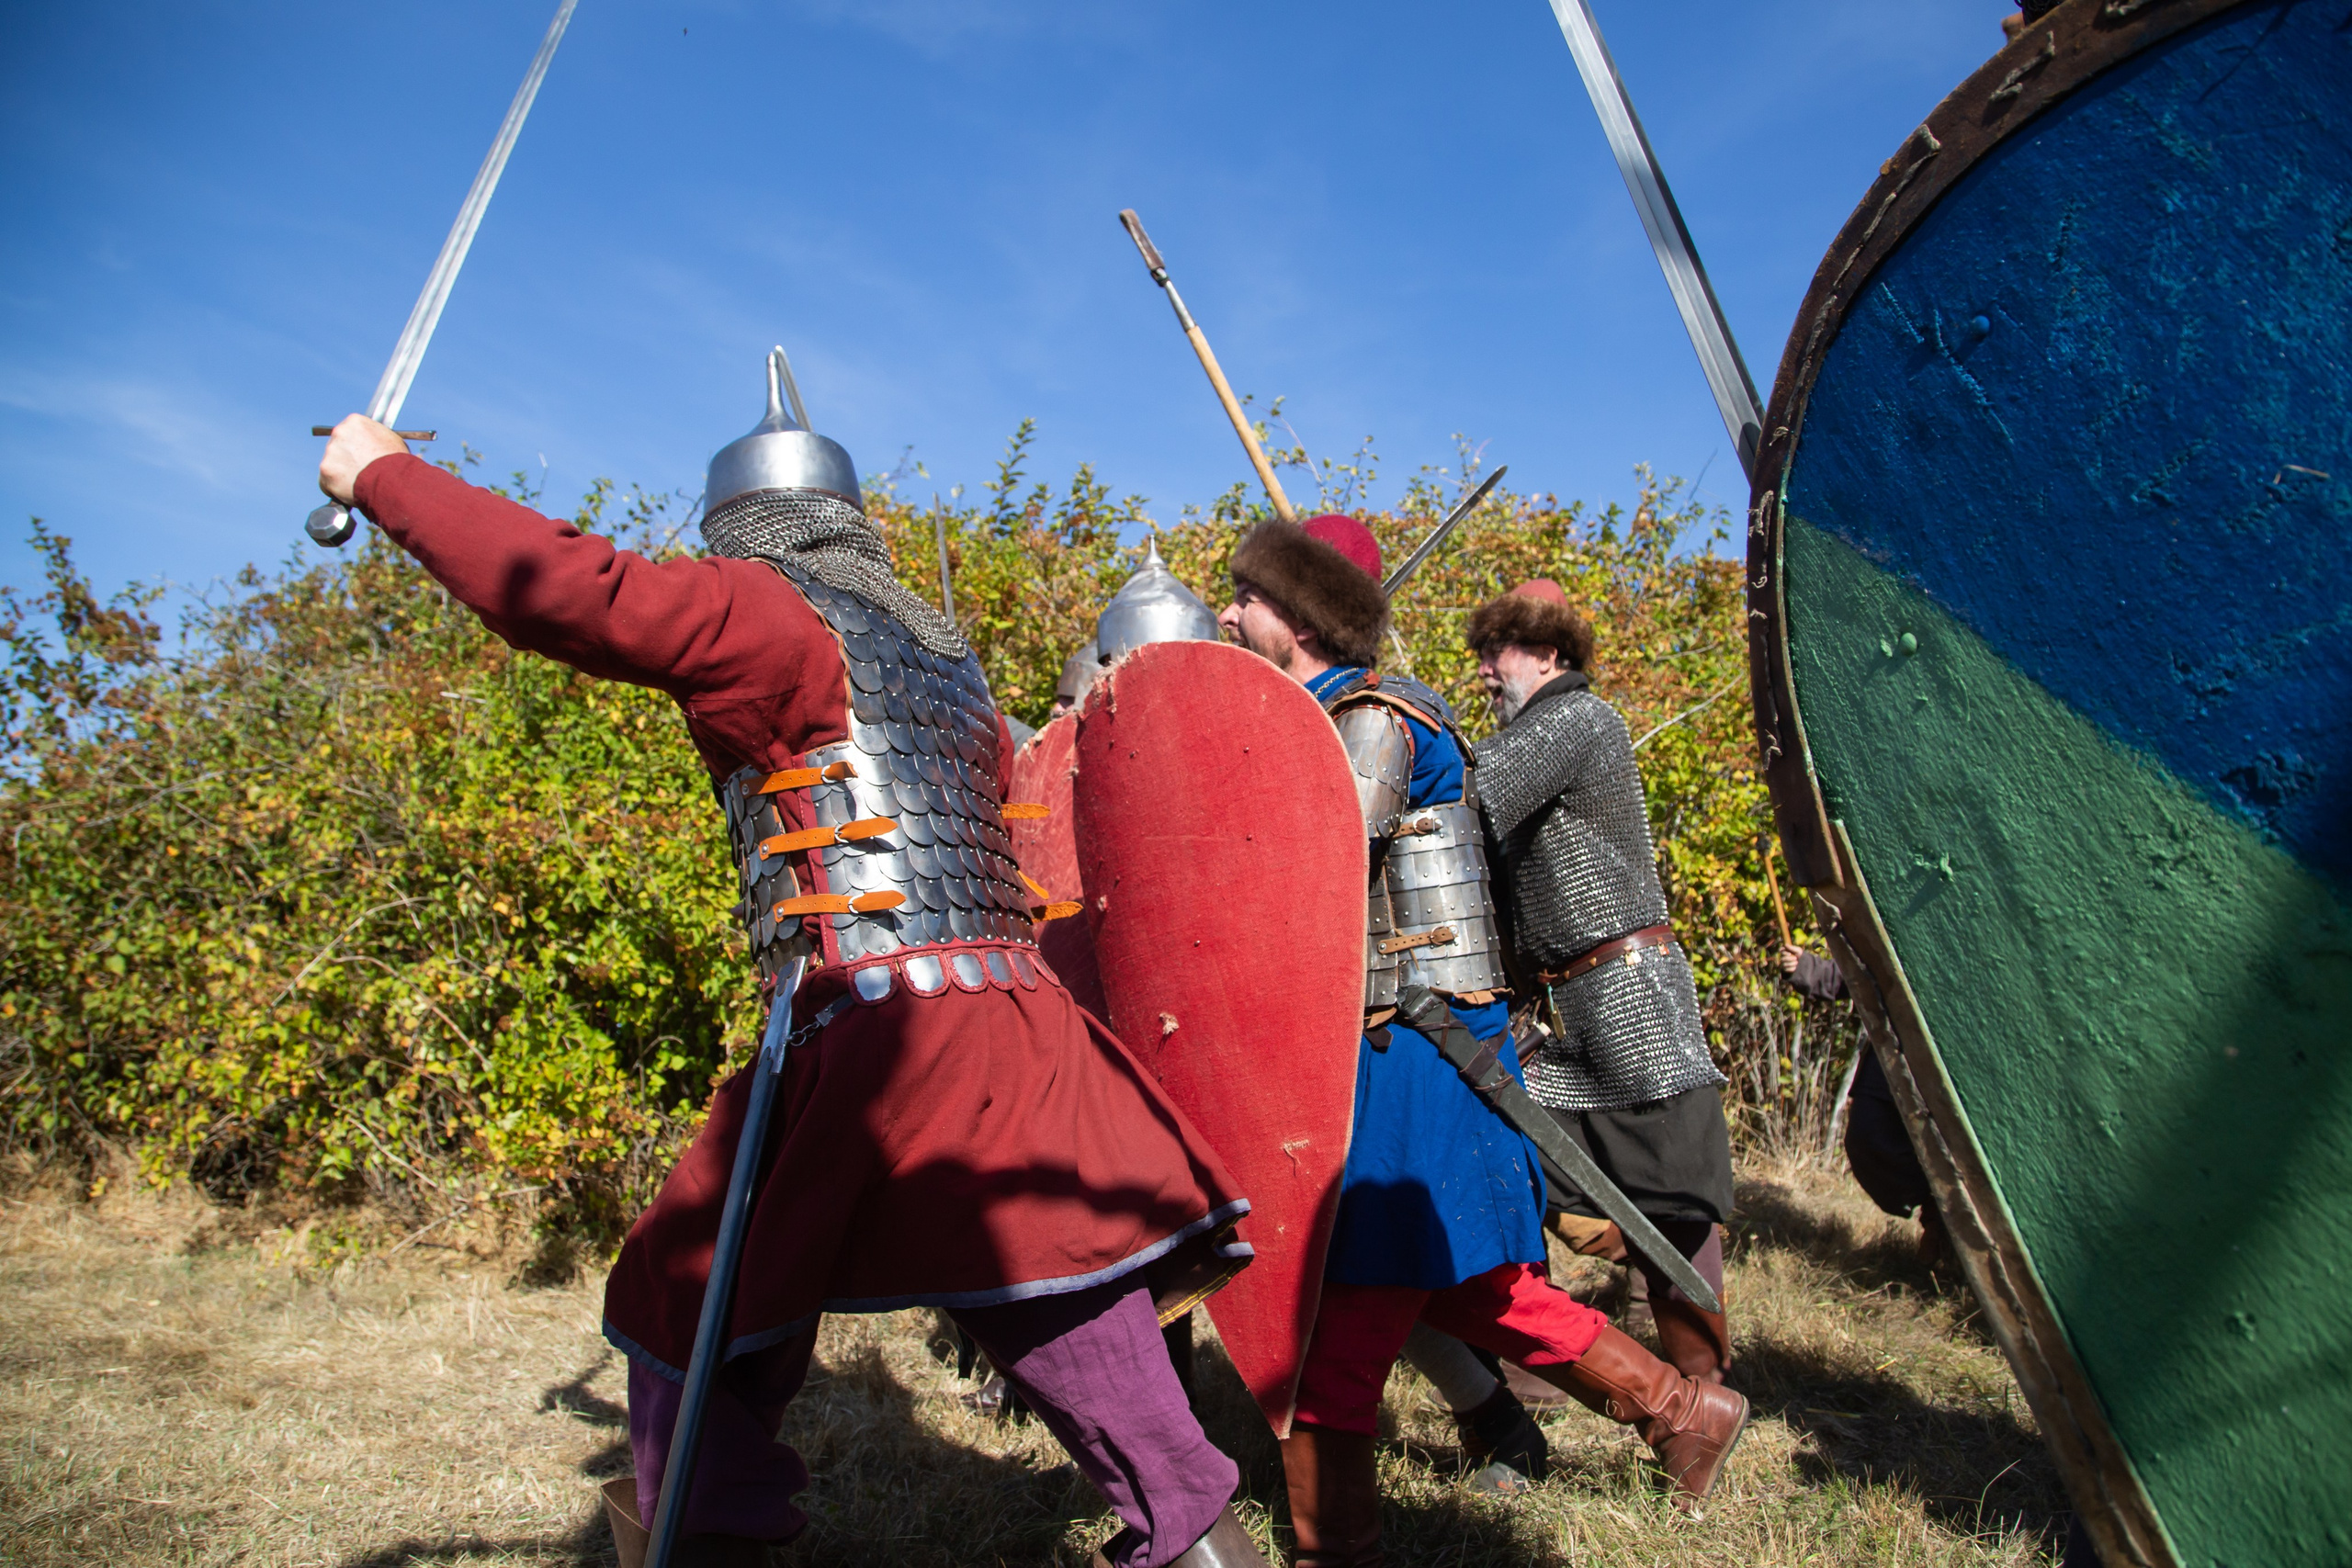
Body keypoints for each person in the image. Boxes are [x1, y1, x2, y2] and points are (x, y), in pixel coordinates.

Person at [313, 351, 1271, 1568]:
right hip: (1011, 1011)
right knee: (1054, 1278)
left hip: (877, 1024)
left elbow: (574, 587)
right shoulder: (941, 653)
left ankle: (704, 1534)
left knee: (691, 1285)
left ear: (746, 526)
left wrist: (390, 477)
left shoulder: (767, 609)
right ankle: (1199, 1536)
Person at [1218, 517, 1747, 1562]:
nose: (1227, 614)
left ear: (1299, 615)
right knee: (1470, 1283)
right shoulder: (1324, 710)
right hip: (1407, 1041)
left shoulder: (1374, 721)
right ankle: (1680, 1412)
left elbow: (1313, 869)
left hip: (1410, 1046)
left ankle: (1337, 1547)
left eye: (1248, 598)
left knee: (1345, 1317)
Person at [1464, 580, 1739, 1389]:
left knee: (1674, 1195)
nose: (1483, 669)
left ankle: (1702, 1389)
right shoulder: (1541, 731)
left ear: (1547, 655)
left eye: (1496, 651)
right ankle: (1545, 1371)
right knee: (1519, 1157)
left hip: (1628, 996)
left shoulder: (1575, 719)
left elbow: (1472, 795)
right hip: (1568, 1007)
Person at [1777, 942, 1947, 1265]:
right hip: (1899, 1046)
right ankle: (1935, 1210)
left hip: (1962, 1056)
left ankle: (1945, 1234)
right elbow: (1879, 968)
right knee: (1869, 1135)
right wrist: (1814, 970)